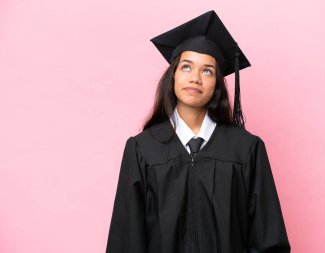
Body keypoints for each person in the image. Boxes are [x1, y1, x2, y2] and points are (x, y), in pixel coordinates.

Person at [106, 10, 291, 253]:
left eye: (207, 71)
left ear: (216, 85)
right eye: (186, 67)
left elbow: (269, 240)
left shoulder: (246, 149)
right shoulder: (142, 149)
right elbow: (126, 240)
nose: (195, 78)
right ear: (172, 76)